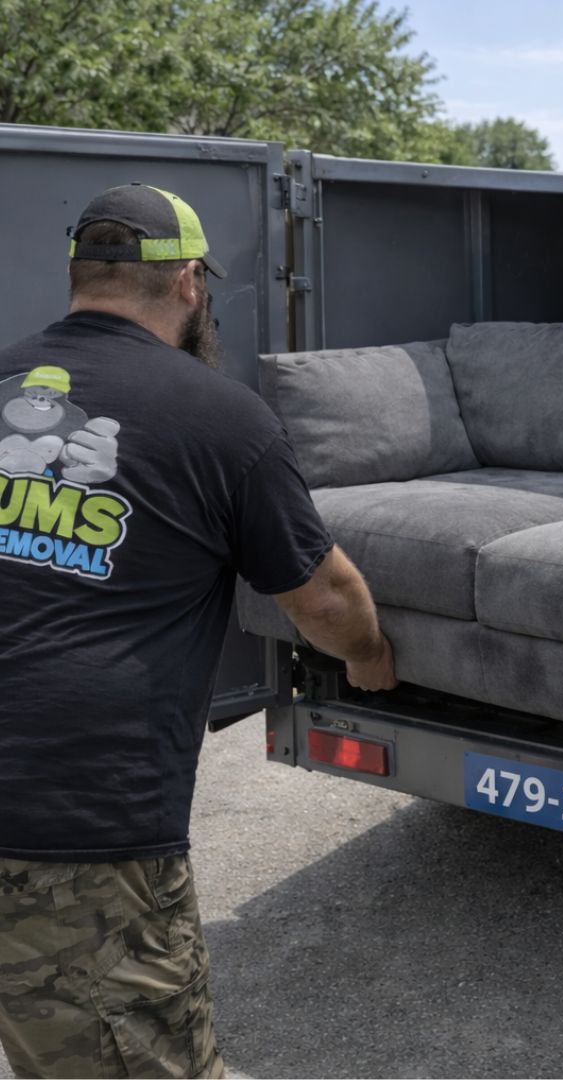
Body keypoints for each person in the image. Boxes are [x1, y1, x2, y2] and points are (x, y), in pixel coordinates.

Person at [0, 182, 396, 1080]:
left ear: (78, 279)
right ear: (189, 282)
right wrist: (370, 655)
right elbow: (326, 601)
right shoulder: (220, 419)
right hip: (70, 825)